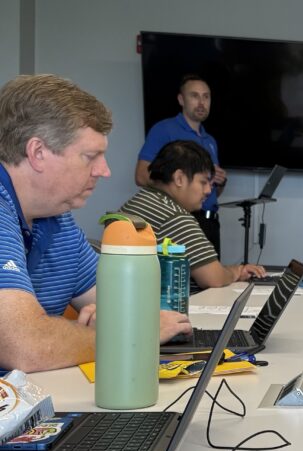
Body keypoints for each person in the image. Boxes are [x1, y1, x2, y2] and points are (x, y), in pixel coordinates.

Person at [0, 75, 191, 372]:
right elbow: (25, 345)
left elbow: (134, 306)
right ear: (38, 153)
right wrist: (131, 334)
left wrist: (118, 320)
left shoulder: (57, 218)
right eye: (91, 156)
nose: (104, 170)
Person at [121, 141, 266, 289]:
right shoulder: (175, 216)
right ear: (179, 178)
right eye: (203, 182)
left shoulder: (135, 203)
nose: (208, 191)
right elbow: (214, 278)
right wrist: (238, 271)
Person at [136, 74, 227, 256]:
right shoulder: (164, 129)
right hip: (181, 220)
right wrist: (180, 181)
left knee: (211, 274)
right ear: (181, 99)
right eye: (194, 96)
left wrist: (220, 181)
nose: (201, 102)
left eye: (206, 96)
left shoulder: (210, 140)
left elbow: (210, 193)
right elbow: (141, 176)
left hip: (210, 223)